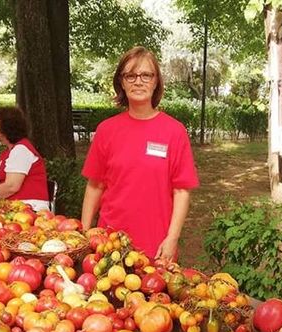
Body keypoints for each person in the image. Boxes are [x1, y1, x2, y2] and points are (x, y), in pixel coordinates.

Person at [81, 47, 199, 260]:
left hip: (156, 244)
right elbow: (95, 185)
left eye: (146, 75)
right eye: (130, 75)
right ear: (121, 82)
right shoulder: (106, 130)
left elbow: (182, 192)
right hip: (110, 244)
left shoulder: (174, 131)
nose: (138, 81)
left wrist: (172, 239)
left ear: (156, 81)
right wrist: (84, 233)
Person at [0, 107, 50, 212]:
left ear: (7, 128)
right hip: (15, 207)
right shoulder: (11, 151)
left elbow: (11, 186)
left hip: (29, 209)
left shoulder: (21, 150)